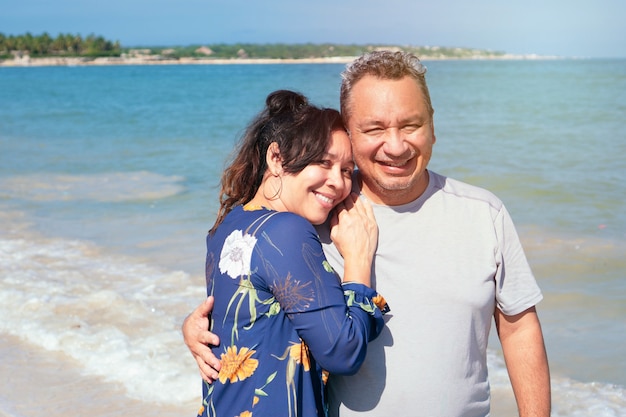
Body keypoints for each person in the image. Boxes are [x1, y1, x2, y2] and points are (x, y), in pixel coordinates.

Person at [183, 52, 551, 417]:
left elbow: (519, 329)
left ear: (432, 125)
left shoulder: (483, 213)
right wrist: (200, 329)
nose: (396, 145)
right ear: (348, 133)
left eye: (410, 125)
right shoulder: (314, 212)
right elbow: (253, 281)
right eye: (374, 129)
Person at [194, 89, 387, 417]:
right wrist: (358, 260)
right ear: (277, 158)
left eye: (346, 170)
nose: (338, 183)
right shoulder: (286, 230)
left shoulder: (228, 224)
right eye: (323, 163)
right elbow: (343, 351)